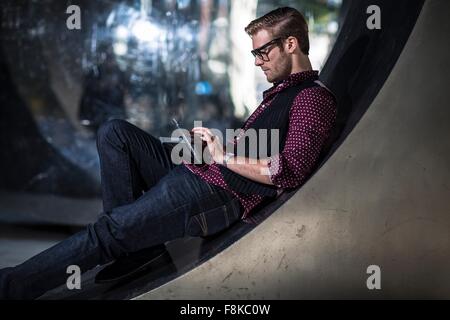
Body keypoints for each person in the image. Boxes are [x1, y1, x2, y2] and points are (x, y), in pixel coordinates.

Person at [0, 7, 337, 299]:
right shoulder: (283, 93)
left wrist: (222, 156)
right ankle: (137, 251)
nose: (258, 62)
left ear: (290, 44)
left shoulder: (311, 98)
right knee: (116, 133)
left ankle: (12, 285)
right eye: (255, 54)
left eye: (262, 52)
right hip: (203, 173)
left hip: (218, 192)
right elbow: (261, 148)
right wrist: (214, 147)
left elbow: (289, 170)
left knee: (109, 231)